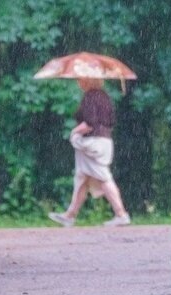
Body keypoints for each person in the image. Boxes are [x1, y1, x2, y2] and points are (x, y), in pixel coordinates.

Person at [48, 78, 130, 227]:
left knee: (103, 178)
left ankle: (121, 214)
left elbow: (90, 122)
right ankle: (70, 215)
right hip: (104, 141)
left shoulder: (90, 97)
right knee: (82, 179)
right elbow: (110, 121)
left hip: (92, 143)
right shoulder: (105, 97)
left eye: (81, 78)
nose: (79, 81)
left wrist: (74, 131)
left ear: (88, 81)